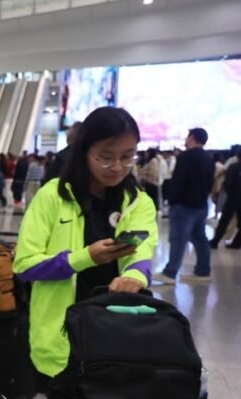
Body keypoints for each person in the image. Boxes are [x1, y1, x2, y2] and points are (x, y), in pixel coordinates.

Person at [13, 107, 156, 378]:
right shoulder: (52, 197)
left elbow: (142, 252)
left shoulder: (138, 201)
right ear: (83, 153)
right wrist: (84, 257)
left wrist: (135, 274)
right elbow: (24, 265)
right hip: (61, 335)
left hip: (118, 331)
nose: (116, 167)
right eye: (105, 157)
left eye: (127, 157)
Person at [156, 127, 215, 284]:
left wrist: (172, 200)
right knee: (199, 238)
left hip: (183, 205)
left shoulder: (186, 157)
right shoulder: (208, 158)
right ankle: (203, 271)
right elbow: (210, 183)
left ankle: (170, 273)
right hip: (201, 205)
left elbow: (179, 181)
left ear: (192, 138)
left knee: (178, 238)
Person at [210, 149, 241, 249]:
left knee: (224, 221)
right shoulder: (233, 167)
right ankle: (237, 243)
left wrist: (230, 192)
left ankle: (215, 241)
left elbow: (227, 183)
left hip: (232, 198)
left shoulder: (234, 167)